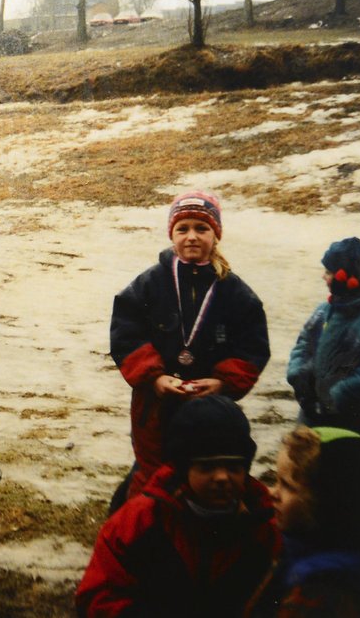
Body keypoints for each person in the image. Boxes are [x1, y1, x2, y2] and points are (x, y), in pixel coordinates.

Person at [110, 190, 270, 504]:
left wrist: (224, 382)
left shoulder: (234, 291)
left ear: (216, 234)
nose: (192, 237)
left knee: (202, 468)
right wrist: (154, 377)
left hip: (210, 404)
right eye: (183, 229)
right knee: (153, 473)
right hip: (155, 404)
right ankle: (142, 527)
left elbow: (253, 344)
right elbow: (126, 333)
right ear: (172, 234)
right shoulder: (149, 283)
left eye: (202, 228)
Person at [76, 396, 281, 617]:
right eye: (207, 467)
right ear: (183, 469)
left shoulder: (266, 522)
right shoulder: (139, 521)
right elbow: (97, 597)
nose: (222, 477)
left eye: (233, 466)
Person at [248, 425, 360, 617]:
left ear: (327, 503)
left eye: (287, 485)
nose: (272, 492)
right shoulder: (310, 544)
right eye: (276, 481)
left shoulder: (318, 593)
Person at [287, 237, 360, 431]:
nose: (323, 276)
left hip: (353, 421)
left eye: (328, 272)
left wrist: (329, 399)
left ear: (346, 279)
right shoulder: (324, 310)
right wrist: (299, 376)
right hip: (312, 411)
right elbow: (304, 343)